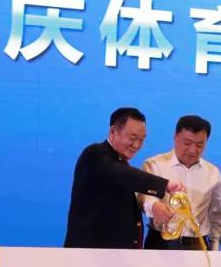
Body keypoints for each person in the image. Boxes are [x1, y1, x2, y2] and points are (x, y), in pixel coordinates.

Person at [64, 107, 182, 249]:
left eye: (141, 139)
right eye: (132, 138)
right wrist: (165, 185)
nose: (137, 145)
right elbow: (123, 175)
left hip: (115, 254)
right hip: (90, 252)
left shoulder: (120, 162)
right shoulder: (94, 155)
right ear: (113, 131)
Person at [140, 115, 221, 251]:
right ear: (175, 136)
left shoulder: (213, 173)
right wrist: (155, 206)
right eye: (187, 143)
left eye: (199, 145)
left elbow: (216, 217)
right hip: (160, 242)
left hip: (198, 245)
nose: (192, 150)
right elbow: (144, 197)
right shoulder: (154, 165)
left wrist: (215, 249)